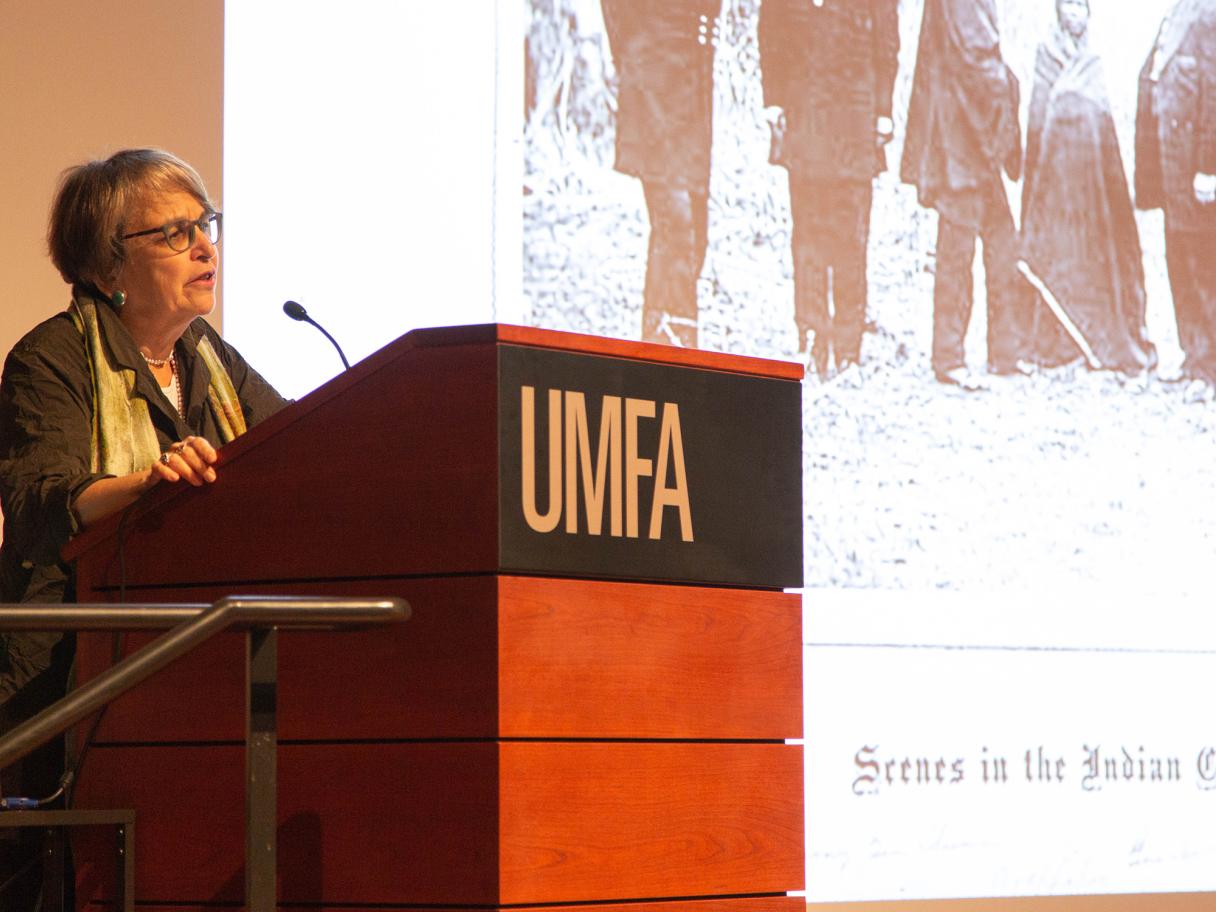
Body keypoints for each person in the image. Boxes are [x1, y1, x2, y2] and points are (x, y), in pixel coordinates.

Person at [0, 148, 287, 902]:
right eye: (174, 232)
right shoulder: (51, 357)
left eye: (207, 225)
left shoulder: (211, 360)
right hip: (57, 676)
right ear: (107, 265)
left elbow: (292, 451)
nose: (205, 246)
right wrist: (144, 486)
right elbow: (37, 501)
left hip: (182, 669)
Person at [759, 0, 899, 378]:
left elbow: (887, 42)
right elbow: (771, 32)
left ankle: (848, 350)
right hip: (805, 120)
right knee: (808, 236)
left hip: (854, 120)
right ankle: (811, 338)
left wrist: (883, 110)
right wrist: (773, 100)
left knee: (851, 239)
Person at [1019, 0, 1156, 374]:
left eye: (1081, 6)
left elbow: (1103, 128)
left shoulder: (1094, 60)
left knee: (1093, 256)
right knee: (1056, 254)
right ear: (1057, 11)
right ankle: (1056, 342)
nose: (1074, 14)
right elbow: (1036, 120)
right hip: (1053, 187)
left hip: (1090, 189)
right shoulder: (1045, 54)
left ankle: (1094, 338)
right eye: (1068, 6)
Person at [901, 0, 1025, 388]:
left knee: (1002, 242)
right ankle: (950, 357)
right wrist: (1009, 88)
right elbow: (978, 58)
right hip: (961, 140)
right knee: (957, 251)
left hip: (975, 138)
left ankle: (1004, 352)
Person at [601, 0, 720, 347]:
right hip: (651, 83)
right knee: (676, 219)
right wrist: (631, 62)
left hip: (694, 86)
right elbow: (616, 15)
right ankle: (679, 339)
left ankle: (660, 333)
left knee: (694, 222)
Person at [1135, 0, 1216, 383]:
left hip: (1196, 177)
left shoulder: (1208, 13)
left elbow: (1214, 94)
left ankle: (1211, 366)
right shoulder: (1174, 13)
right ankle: (1195, 360)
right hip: (1171, 174)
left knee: (1205, 268)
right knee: (1180, 264)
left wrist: (1208, 166)